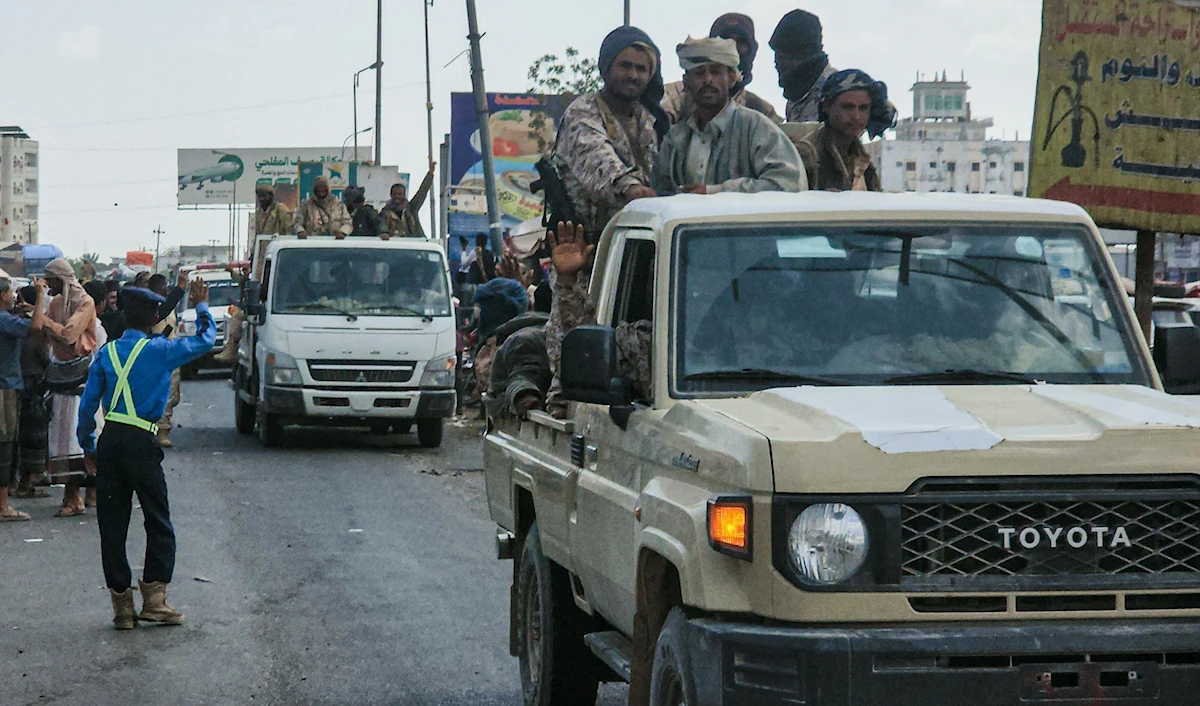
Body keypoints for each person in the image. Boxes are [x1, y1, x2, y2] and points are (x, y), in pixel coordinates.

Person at [78, 280, 216, 630]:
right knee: (157, 518)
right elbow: (205, 341)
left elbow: (87, 406)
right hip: (142, 440)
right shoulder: (161, 350)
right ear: (154, 317)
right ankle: (155, 599)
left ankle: (122, 608)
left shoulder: (106, 353)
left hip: (111, 441)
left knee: (112, 525)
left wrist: (89, 446)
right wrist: (201, 307)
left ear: (123, 315)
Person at [545, 25, 667, 412]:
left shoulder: (650, 120)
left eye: (642, 69)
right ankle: (561, 397)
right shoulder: (584, 112)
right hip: (585, 246)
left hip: (640, 243)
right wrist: (633, 190)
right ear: (606, 67)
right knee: (577, 334)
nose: (633, 75)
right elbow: (597, 162)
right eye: (625, 66)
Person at [651, 37, 806, 195]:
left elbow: (789, 185)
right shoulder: (676, 139)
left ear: (731, 78)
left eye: (715, 72)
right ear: (686, 82)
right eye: (699, 73)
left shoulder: (756, 128)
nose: (708, 80)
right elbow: (661, 193)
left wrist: (717, 192)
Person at [41, 258, 99, 517]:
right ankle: (71, 495)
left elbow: (69, 335)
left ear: (61, 279)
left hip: (81, 377)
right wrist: (51, 324)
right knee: (63, 439)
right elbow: (51, 334)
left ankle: (90, 493)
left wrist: (46, 322)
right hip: (62, 377)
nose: (47, 284)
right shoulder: (55, 303)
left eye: (50, 279)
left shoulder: (85, 302)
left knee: (82, 435)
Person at [661, 14, 779, 124]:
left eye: (741, 42)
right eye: (726, 40)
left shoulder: (762, 111)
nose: (733, 48)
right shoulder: (677, 94)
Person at [796, 69, 896, 192]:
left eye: (863, 108)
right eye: (847, 107)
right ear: (827, 106)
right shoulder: (808, 155)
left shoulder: (862, 160)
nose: (856, 116)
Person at [0, 277, 46, 522]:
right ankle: (3, 506)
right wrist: (39, 296)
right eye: (9, 292)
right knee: (5, 446)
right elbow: (35, 328)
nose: (12, 296)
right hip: (4, 388)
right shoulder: (4, 320)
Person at [14, 284, 52, 501]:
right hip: (33, 386)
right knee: (34, 437)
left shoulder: (13, 323)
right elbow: (45, 358)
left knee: (16, 437)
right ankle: (26, 483)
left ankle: (14, 483)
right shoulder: (34, 329)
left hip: (18, 384)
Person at [771, 10, 838, 123]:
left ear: (804, 57)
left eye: (784, 58)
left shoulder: (835, 91)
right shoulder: (796, 94)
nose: (778, 65)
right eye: (778, 57)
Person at [148, 274, 181, 448]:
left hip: (171, 353)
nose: (165, 290)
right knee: (159, 394)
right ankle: (160, 430)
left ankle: (163, 428)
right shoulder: (150, 307)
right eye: (163, 287)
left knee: (172, 396)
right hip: (155, 354)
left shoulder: (170, 307)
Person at [381, 167, 436, 238]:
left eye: (400, 194)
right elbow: (382, 228)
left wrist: (430, 175)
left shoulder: (411, 208)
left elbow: (422, 192)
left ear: (404, 195)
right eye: (395, 194)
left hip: (414, 242)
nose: (397, 196)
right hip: (395, 243)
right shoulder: (385, 212)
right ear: (391, 195)